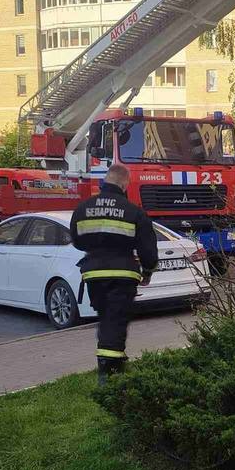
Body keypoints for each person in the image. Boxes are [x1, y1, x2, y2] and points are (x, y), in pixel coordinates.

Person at [70, 163, 158, 384]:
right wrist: (147, 271)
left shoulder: (83, 208)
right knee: (115, 322)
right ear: (124, 184)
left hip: (93, 275)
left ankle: (112, 364)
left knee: (107, 319)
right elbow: (148, 249)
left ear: (105, 180)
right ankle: (109, 376)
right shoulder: (133, 211)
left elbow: (77, 241)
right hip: (122, 275)